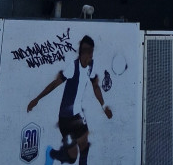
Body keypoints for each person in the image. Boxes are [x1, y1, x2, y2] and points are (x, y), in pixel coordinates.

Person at [27, 35, 113, 164]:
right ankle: (51, 153)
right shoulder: (73, 67)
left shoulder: (91, 66)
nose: (90, 55)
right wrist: (37, 99)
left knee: (84, 147)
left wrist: (104, 105)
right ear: (81, 52)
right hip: (66, 118)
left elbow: (95, 86)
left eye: (92, 51)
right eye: (87, 51)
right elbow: (54, 84)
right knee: (72, 158)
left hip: (78, 116)